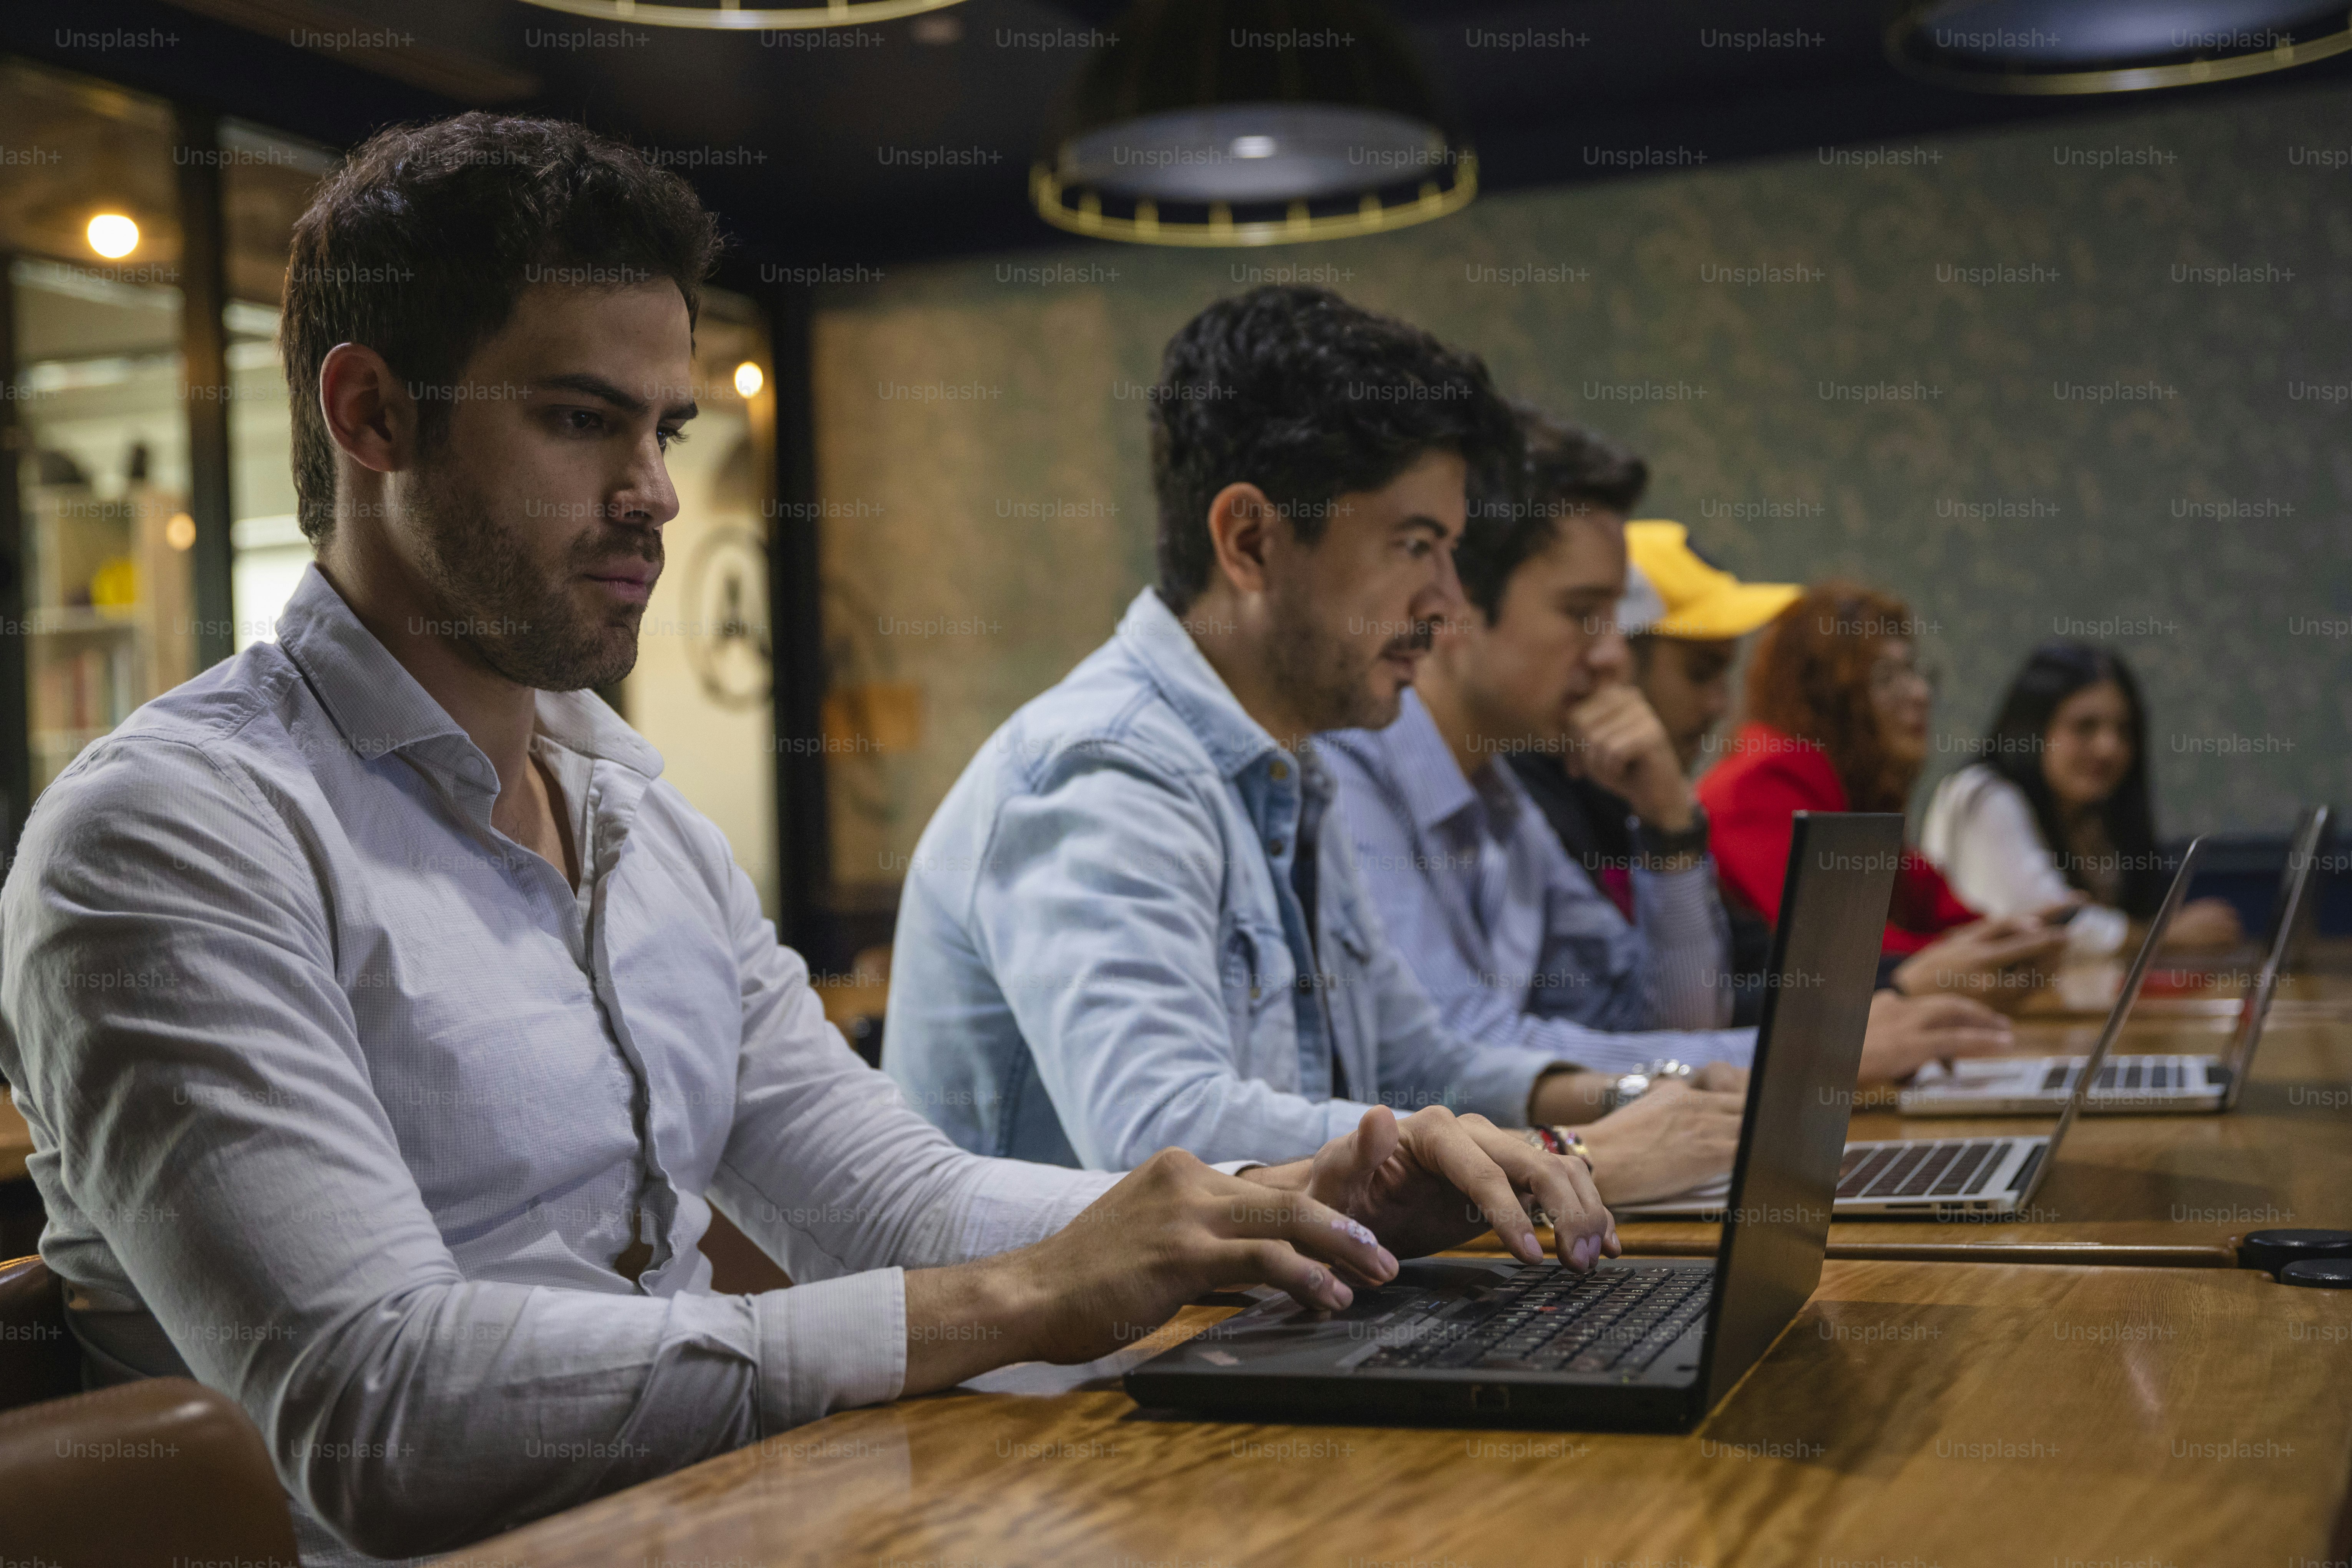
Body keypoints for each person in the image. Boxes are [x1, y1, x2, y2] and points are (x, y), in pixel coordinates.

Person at [0, 119, 1611, 1568]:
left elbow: (890, 1194)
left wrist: (1281, 1211)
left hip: (726, 1516)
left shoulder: (632, 810)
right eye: (580, 422)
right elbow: (373, 1424)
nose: (653, 497)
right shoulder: (170, 834)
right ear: (371, 414)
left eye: (665, 434)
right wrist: (1017, 1299)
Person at [886, 286, 1747, 1208]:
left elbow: (1421, 1060)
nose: (1449, 603)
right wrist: (1573, 1153)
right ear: (1250, 541)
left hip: (1243, 1322)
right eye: (1414, 545)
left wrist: (1633, 1097)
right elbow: (1158, 1134)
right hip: (1097, 1356)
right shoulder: (1100, 770)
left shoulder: (1288, 762)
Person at [1327, 410, 2017, 1089]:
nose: (1609, 659)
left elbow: (1666, 1016)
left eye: (1612, 621)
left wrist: (1670, 827)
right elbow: (1458, 1054)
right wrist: (1811, 1051)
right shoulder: (1348, 776)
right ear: (1455, 607)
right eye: (1580, 615)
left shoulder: (1497, 796)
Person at [1695, 581, 2067, 1006]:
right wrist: (1987, 950)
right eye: (1887, 677)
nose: (1920, 694)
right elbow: (1842, 949)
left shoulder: (1848, 790)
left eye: (1915, 672)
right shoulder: (1760, 783)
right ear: (1825, 696)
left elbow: (1935, 905)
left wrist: (2009, 936)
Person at [1507, 518, 1799, 1023]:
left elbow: (1750, 962)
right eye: (1698, 673)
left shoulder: (1637, 799)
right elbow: (1620, 1024)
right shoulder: (1520, 799)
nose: (1718, 705)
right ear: (1622, 664)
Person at [1922, 640, 2242, 951]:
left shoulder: (2090, 812)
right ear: (2033, 729)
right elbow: (2050, 923)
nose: (2108, 747)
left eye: (2123, 730)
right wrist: (2162, 936)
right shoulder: (1982, 794)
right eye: (2084, 727)